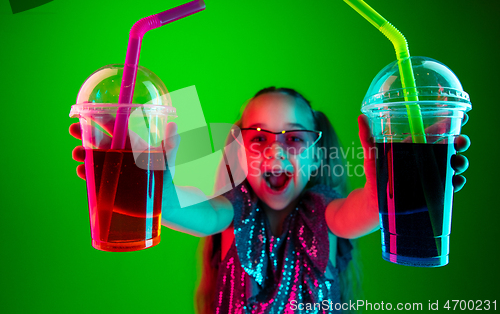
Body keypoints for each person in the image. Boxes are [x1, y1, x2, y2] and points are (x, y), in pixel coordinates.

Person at [70, 87, 470, 313]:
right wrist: (147, 179)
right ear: (237, 152)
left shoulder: (325, 213)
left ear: (316, 152)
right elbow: (176, 209)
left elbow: (369, 209)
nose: (276, 153)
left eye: (294, 138)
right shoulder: (232, 210)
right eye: (258, 138)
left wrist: (401, 181)